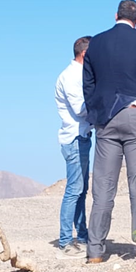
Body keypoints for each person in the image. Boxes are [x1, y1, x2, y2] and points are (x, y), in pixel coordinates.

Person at [82, 0, 136, 264]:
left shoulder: (96, 42)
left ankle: (95, 250)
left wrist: (96, 113)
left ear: (115, 15)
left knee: (103, 188)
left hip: (106, 119)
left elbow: (88, 83)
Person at [54, 35, 93, 256]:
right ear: (85, 54)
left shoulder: (78, 75)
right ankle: (66, 240)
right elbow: (80, 108)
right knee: (74, 190)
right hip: (74, 138)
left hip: (83, 136)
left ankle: (83, 235)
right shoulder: (70, 77)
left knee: (81, 190)